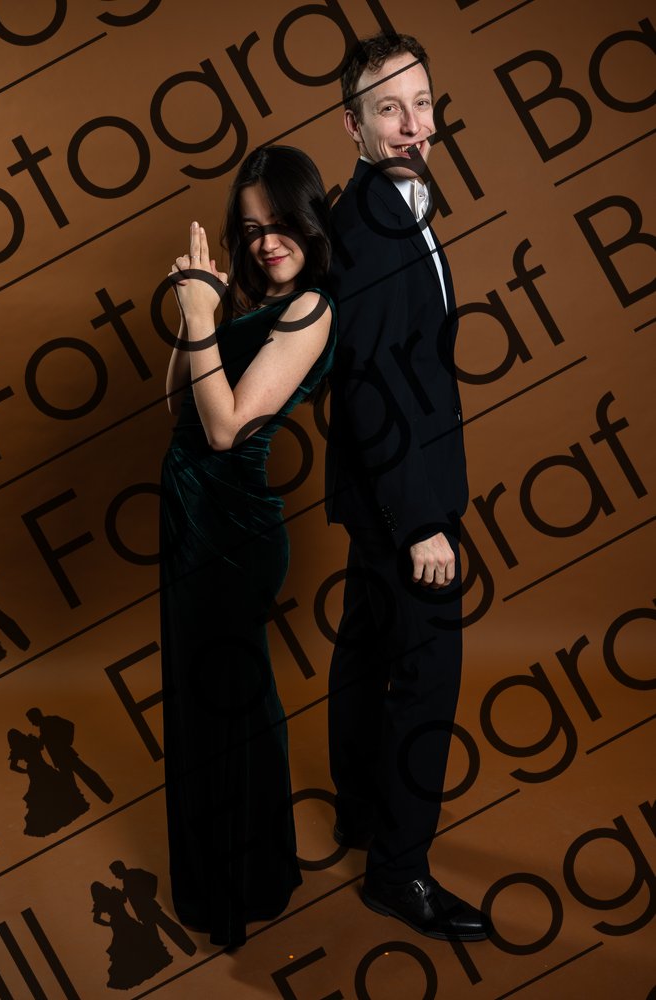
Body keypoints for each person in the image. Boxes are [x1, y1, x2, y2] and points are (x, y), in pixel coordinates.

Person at [325, 33, 491, 940]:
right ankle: (399, 872)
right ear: (352, 127)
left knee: (363, 648)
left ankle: (358, 812)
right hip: (403, 499)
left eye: (421, 104)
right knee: (426, 676)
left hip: (376, 489)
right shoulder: (369, 226)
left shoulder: (399, 201)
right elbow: (366, 386)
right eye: (387, 108)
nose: (411, 124)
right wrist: (421, 521)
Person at [159, 145, 335, 948]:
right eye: (252, 227)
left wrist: (203, 320)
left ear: (310, 220)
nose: (267, 241)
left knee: (231, 698)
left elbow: (227, 429)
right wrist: (199, 310)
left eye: (281, 223)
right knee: (199, 700)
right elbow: (179, 405)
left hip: (232, 529)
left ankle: (246, 881)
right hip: (189, 516)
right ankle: (214, 876)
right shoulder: (251, 304)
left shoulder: (310, 311)